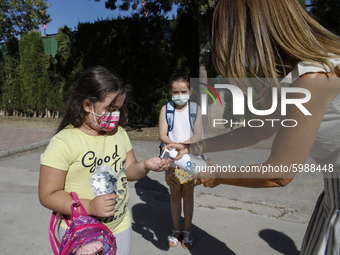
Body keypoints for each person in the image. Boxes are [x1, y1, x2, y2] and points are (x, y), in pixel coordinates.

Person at [165, 0, 340, 254]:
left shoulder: (313, 78)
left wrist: (217, 175)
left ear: (251, 33)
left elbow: (278, 173)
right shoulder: (291, 73)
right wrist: (195, 146)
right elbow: (259, 130)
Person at [39, 66, 171, 255]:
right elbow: (48, 194)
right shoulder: (63, 142)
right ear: (87, 105)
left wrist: (145, 165)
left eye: (118, 108)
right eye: (110, 108)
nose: (115, 114)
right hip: (82, 232)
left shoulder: (119, 134)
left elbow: (129, 170)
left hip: (120, 225)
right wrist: (90, 206)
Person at [158, 73, 203, 249]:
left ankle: (188, 231)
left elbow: (198, 134)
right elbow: (162, 133)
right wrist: (174, 145)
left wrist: (183, 147)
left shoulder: (195, 109)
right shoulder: (165, 109)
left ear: (190, 91)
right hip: (172, 159)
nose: (179, 95)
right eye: (175, 91)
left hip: (190, 157)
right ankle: (177, 231)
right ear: (170, 91)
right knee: (175, 195)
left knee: (188, 195)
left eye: (183, 91)